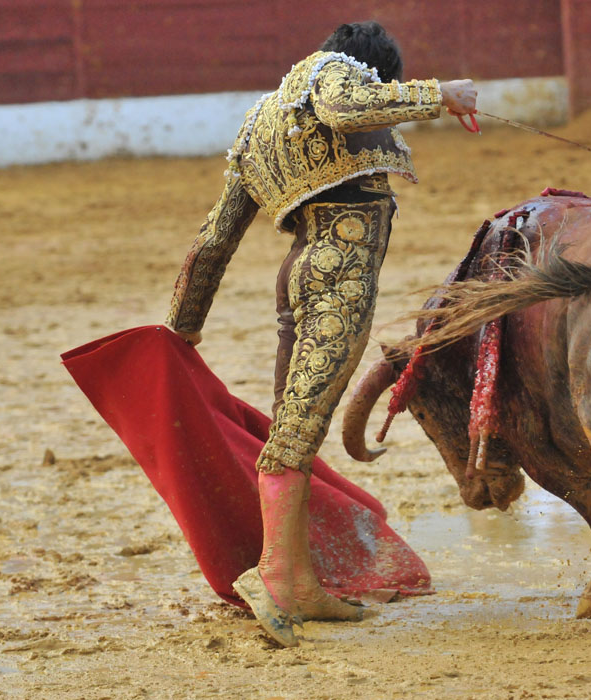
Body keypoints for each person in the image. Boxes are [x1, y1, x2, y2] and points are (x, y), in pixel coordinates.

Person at [166, 20, 477, 646]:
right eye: (382, 86)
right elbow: (342, 102)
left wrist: (183, 328)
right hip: (336, 280)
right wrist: (439, 95)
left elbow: (215, 239)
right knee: (296, 436)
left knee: (292, 430)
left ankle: (300, 580)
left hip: (299, 276)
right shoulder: (329, 74)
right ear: (372, 71)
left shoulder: (259, 123)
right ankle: (277, 575)